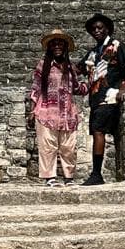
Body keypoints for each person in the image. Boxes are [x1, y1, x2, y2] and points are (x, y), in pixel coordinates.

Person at [78, 12, 125, 186]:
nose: (97, 31)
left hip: (109, 96)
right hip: (95, 98)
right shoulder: (92, 53)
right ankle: (97, 174)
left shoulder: (116, 46)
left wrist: (123, 89)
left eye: (100, 28)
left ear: (107, 29)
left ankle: (96, 174)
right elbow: (78, 69)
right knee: (97, 131)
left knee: (98, 131)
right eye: (94, 28)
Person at [28, 29, 88, 187]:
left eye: (60, 43)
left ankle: (69, 178)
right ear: (49, 47)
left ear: (65, 47)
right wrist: (31, 111)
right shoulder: (43, 65)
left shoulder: (69, 67)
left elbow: (76, 88)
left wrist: (92, 83)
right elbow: (36, 88)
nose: (57, 46)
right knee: (48, 146)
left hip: (67, 112)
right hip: (46, 111)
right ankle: (50, 178)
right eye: (54, 43)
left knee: (69, 147)